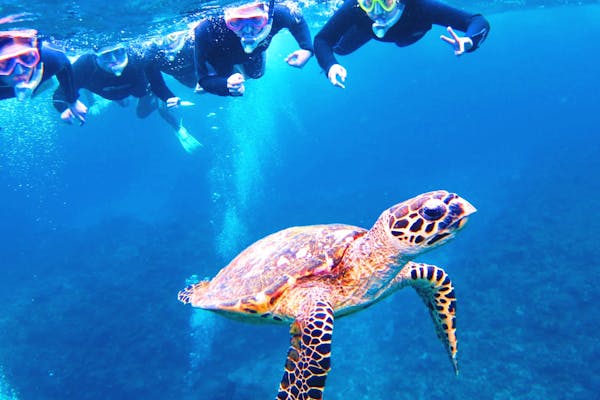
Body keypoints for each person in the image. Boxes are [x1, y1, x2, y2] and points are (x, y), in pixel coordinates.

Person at [53, 43, 202, 153]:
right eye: (106, 55)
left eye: (118, 52)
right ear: (95, 56)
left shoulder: (137, 56)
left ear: (125, 49)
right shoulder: (85, 65)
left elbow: (158, 85)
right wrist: (66, 106)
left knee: (142, 112)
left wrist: (169, 98)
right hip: (108, 91)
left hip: (137, 88)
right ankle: (103, 100)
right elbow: (59, 95)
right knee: (122, 102)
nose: (114, 60)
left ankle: (178, 128)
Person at [314, 0, 490, 88]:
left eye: (386, 2)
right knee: (341, 50)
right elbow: (322, 40)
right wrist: (330, 65)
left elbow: (477, 21)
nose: (377, 11)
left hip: (411, 32)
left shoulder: (420, 7)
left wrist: (469, 41)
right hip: (366, 31)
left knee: (403, 42)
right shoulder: (354, 8)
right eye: (368, 2)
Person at [194, 0, 313, 97]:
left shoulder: (279, 13)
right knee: (222, 77)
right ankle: (218, 72)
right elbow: (203, 79)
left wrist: (307, 48)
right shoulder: (206, 28)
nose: (247, 31)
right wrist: (226, 86)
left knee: (257, 74)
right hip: (221, 55)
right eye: (236, 22)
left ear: (267, 16)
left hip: (255, 52)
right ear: (226, 20)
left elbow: (298, 20)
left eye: (256, 20)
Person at [0, 29, 86, 121]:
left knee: (44, 82)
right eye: (4, 64)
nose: (19, 71)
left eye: (27, 58)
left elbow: (64, 64)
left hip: (42, 79)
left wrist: (72, 101)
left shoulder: (51, 59)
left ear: (37, 57)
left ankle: (44, 83)